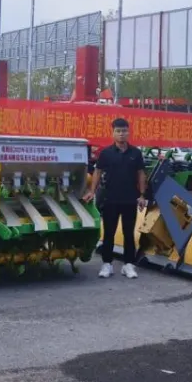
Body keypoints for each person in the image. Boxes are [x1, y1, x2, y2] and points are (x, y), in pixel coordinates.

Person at [83, 118, 147, 279]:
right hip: (110, 198)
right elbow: (97, 172)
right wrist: (92, 191)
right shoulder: (106, 153)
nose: (121, 134)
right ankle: (107, 264)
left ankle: (128, 265)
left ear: (128, 132)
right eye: (118, 131)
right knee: (109, 233)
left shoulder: (136, 153)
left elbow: (141, 174)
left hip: (129, 199)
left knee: (128, 233)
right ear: (113, 133)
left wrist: (142, 195)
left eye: (124, 131)